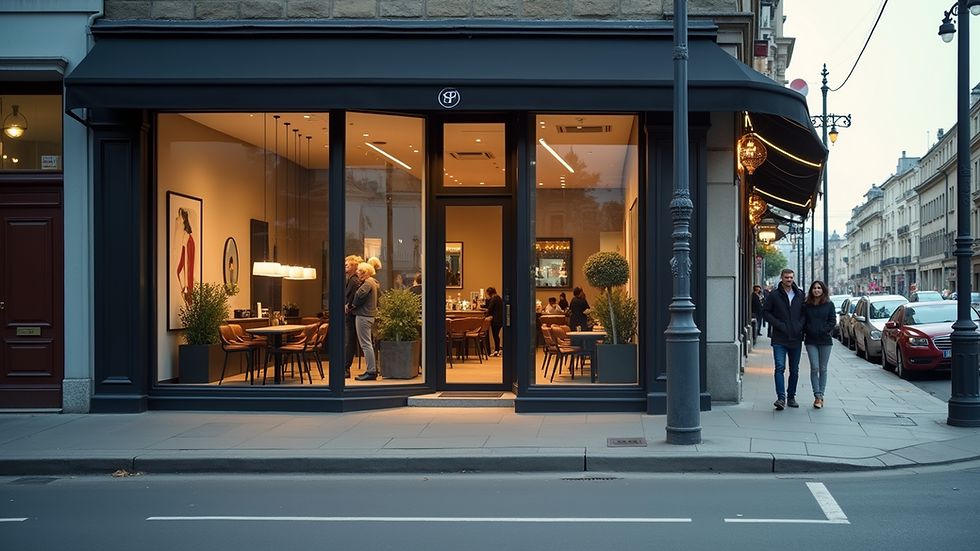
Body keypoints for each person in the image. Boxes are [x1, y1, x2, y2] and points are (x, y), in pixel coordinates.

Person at [761, 268, 804, 410]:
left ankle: (791, 396)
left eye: (791, 277)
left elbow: (805, 313)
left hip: (796, 338)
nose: (789, 280)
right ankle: (780, 398)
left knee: (794, 370)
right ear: (782, 278)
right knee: (779, 367)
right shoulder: (774, 295)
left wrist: (799, 325)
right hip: (779, 337)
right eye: (786, 277)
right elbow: (766, 312)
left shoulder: (799, 295)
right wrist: (779, 325)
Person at [802, 280, 836, 409]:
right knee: (814, 368)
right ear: (811, 290)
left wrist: (824, 329)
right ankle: (817, 395)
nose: (816, 290)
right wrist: (807, 329)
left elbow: (832, 320)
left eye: (819, 288)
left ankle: (821, 395)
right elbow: (803, 320)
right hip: (811, 340)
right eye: (814, 288)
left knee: (823, 368)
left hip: (825, 340)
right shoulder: (807, 305)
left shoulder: (829, 305)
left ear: (823, 290)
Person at [351, 262, 380, 381]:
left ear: (365, 272)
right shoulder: (374, 282)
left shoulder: (367, 283)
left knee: (365, 344)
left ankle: (371, 371)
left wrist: (353, 304)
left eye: (359, 271)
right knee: (369, 344)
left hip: (363, 315)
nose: (357, 273)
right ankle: (372, 369)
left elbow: (359, 294)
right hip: (370, 315)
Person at [342, 254, 364, 378]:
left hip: (350, 315)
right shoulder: (352, 279)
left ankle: (345, 368)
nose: (345, 265)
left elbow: (353, 295)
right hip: (351, 314)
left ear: (354, 266)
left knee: (349, 341)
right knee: (351, 341)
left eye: (348, 263)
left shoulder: (354, 280)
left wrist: (349, 304)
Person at [483, 287, 504, 356]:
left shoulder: (493, 299)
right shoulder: (499, 298)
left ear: (489, 293)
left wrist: (481, 308)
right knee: (496, 335)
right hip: (500, 319)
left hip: (495, 319)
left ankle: (496, 350)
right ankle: (497, 349)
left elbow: (489, 309)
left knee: (495, 335)